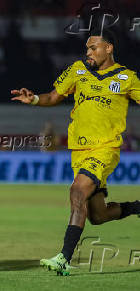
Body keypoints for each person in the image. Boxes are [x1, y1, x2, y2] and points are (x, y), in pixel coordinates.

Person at [11, 29, 140, 276]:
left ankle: (64, 258)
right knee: (98, 216)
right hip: (79, 150)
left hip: (105, 149)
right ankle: (136, 208)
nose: (88, 52)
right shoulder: (77, 70)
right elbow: (54, 96)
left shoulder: (126, 78)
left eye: (93, 47)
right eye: (87, 48)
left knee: (77, 190)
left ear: (109, 48)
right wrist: (35, 99)